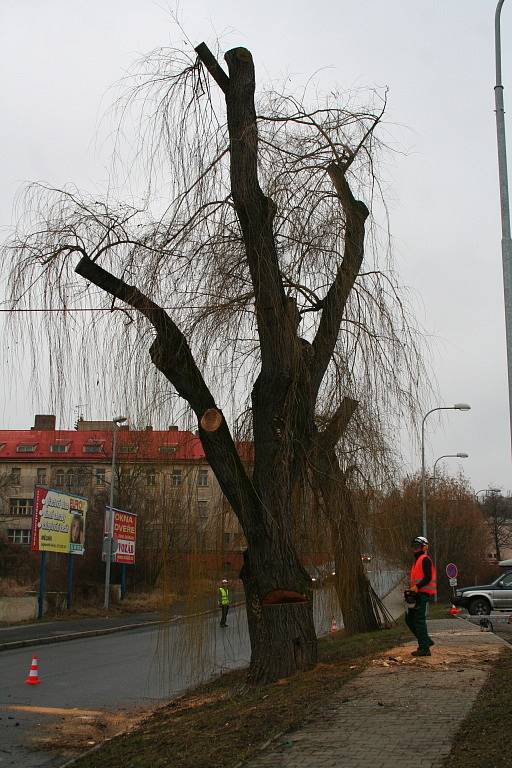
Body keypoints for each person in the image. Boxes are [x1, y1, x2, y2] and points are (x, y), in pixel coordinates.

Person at [405, 535, 437, 656]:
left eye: (418, 546)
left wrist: (417, 587)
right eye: (414, 546)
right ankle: (426, 641)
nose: (415, 548)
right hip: (416, 594)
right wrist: (411, 590)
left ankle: (424, 648)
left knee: (418, 620)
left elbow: (428, 577)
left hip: (422, 594)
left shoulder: (425, 559)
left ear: (424, 547)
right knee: (409, 619)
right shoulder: (416, 561)